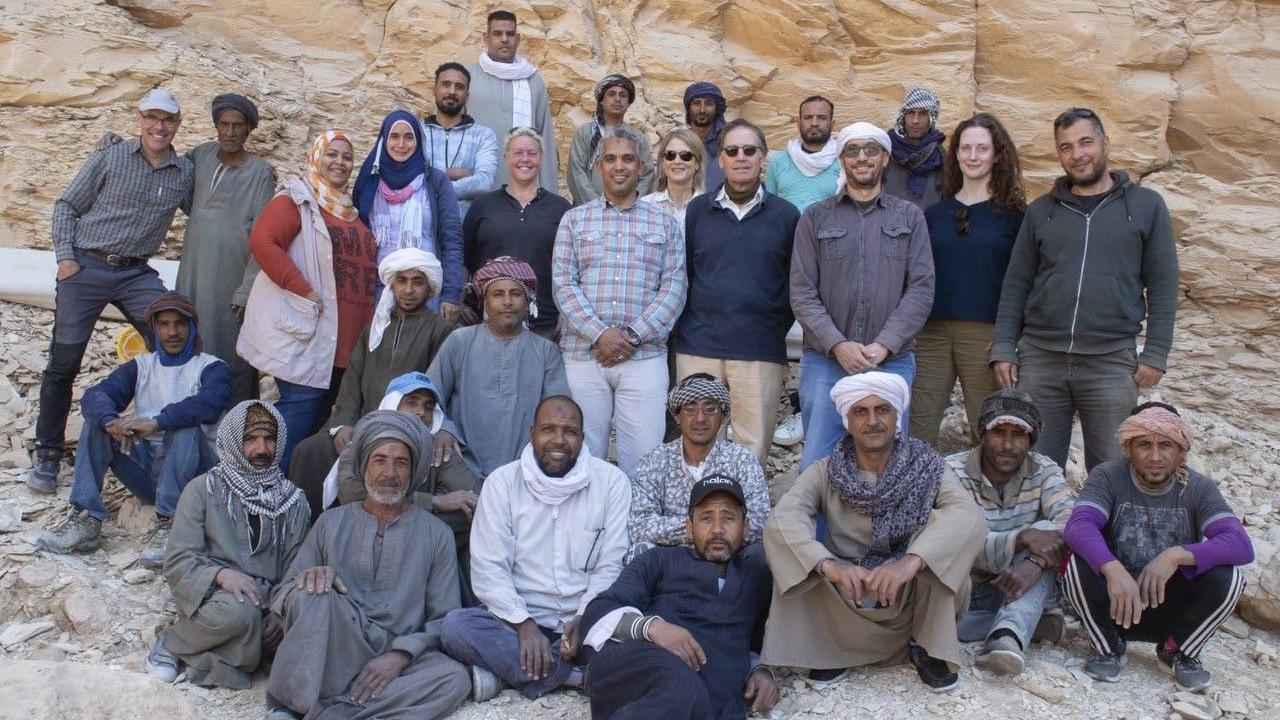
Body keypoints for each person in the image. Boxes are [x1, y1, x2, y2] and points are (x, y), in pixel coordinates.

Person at [761, 372, 985, 692]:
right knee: (797, 560)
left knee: (941, 552)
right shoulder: (825, 471)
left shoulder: (928, 465)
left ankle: (927, 648)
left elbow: (966, 515)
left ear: (897, 417)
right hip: (849, 592)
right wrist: (829, 565)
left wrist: (911, 561)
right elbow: (783, 519)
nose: (873, 421)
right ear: (848, 421)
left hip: (908, 590)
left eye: (882, 410)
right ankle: (830, 652)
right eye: (861, 412)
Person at [991, 108, 1179, 472]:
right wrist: (1003, 347)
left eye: (1085, 142)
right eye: (1066, 147)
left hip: (1110, 361)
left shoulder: (1145, 207)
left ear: (1105, 143)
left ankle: (1100, 531)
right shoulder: (1041, 211)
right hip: (1041, 358)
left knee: (1111, 468)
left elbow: (1163, 283)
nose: (1077, 154)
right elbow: (1016, 284)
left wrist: (1156, 352)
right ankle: (1044, 530)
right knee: (1035, 467)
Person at [27, 89, 195, 493]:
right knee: (64, 359)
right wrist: (66, 259)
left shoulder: (183, 172)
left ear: (177, 124)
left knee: (175, 343)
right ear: (139, 119)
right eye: (152, 118)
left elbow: (209, 205)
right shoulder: (111, 156)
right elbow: (67, 205)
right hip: (87, 264)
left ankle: (158, 436)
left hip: (136, 273)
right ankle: (48, 452)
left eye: (168, 120)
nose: (159, 127)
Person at [266, 411, 470, 720]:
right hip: (335, 647)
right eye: (380, 460)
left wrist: (399, 657)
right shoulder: (329, 523)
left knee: (453, 678)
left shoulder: (436, 534)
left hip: (394, 654)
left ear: (413, 472)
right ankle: (296, 706)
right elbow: (282, 596)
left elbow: (443, 618)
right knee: (314, 594)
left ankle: (334, 710)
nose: (390, 473)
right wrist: (308, 580)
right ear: (363, 468)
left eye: (401, 462)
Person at [440, 395, 631, 701]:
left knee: (633, 643)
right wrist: (524, 624)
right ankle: (573, 676)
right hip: (516, 626)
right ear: (532, 433)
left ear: (583, 437)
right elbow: (489, 568)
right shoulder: (501, 483)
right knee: (456, 626)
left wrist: (584, 618)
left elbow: (611, 564)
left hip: (586, 621)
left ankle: (519, 674)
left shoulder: (612, 483)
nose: (559, 440)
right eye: (548, 430)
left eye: (569, 432)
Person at [1063, 403, 1251, 691]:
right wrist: (1112, 569)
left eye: (1165, 445)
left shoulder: (1198, 488)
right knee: (1075, 563)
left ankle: (1179, 651)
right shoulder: (1108, 476)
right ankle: (1108, 646)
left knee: (1231, 577)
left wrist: (1176, 555)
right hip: (1117, 602)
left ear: (1181, 451)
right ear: (1128, 448)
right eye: (1143, 445)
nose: (1154, 456)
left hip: (1170, 605)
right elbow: (1079, 526)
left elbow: (1239, 544)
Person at [36, 293, 228, 568]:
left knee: (184, 430)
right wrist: (111, 422)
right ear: (154, 329)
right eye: (164, 324)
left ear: (192, 327)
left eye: (180, 324)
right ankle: (86, 518)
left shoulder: (211, 367)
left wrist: (157, 422)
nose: (172, 332)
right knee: (97, 426)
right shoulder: (142, 366)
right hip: (149, 470)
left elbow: (208, 405)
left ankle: (170, 522)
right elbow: (96, 395)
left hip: (194, 475)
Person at [791, 122, 934, 471]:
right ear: (841, 159)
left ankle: (883, 530)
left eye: (871, 149)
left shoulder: (910, 217)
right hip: (826, 362)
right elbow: (802, 291)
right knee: (818, 465)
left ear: (885, 157)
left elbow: (921, 287)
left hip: (892, 361)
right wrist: (838, 345)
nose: (862, 158)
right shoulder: (815, 218)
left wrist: (885, 344)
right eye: (852, 151)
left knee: (886, 464)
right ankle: (820, 529)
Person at [582, 476, 780, 719]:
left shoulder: (754, 575)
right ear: (689, 527)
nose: (717, 529)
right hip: (641, 664)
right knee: (680, 687)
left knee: (696, 698)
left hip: (707, 699)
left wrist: (759, 670)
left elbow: (747, 642)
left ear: (745, 527)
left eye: (729, 518)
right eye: (706, 518)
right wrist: (653, 627)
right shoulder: (659, 560)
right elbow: (597, 613)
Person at [238, 130, 378, 472]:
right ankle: (260, 494)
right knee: (296, 423)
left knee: (316, 431)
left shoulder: (351, 214)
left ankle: (293, 504)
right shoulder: (298, 200)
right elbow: (262, 241)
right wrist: (303, 289)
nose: (340, 163)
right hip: (312, 335)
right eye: (332, 154)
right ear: (316, 157)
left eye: (347, 157)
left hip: (345, 345)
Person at [553, 126, 687, 477]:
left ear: (641, 166)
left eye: (628, 158)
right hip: (584, 356)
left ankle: (635, 532)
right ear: (598, 166)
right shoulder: (574, 220)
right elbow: (563, 284)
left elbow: (674, 288)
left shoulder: (664, 223)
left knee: (644, 462)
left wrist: (631, 336)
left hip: (644, 357)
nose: (619, 166)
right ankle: (588, 531)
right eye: (610, 159)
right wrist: (601, 335)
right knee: (582, 458)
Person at [148, 400, 309, 688]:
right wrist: (222, 575)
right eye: (250, 439)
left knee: (308, 615)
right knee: (240, 612)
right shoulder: (203, 489)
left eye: (269, 439)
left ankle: (230, 650)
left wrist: (281, 611)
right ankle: (173, 642)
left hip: (270, 601)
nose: (262, 449)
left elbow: (298, 563)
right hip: (216, 598)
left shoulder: (292, 500)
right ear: (234, 441)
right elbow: (179, 559)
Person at [673, 119, 799, 465]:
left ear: (763, 159)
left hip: (759, 348)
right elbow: (684, 273)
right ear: (719, 160)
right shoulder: (698, 211)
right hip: (699, 345)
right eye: (732, 150)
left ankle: (747, 518)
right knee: (697, 443)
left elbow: (795, 282)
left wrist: (771, 324)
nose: (741, 157)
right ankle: (695, 517)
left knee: (751, 446)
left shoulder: (786, 216)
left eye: (749, 150)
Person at [286, 248, 452, 503]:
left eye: (417, 282)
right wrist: (343, 423)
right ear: (392, 284)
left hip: (407, 429)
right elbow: (352, 380)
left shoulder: (439, 330)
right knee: (309, 451)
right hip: (363, 423)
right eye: (402, 281)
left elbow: (440, 387)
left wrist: (440, 428)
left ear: (429, 288)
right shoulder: (374, 328)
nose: (408, 290)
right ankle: (306, 529)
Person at [910, 113, 1026, 446]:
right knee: (920, 421)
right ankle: (919, 493)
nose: (972, 156)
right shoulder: (934, 214)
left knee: (986, 423)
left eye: (982, 148)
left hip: (985, 334)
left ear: (997, 154)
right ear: (956, 154)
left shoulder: (1014, 215)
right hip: (931, 333)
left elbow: (1022, 282)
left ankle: (987, 496)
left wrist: (1009, 337)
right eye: (965, 148)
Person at [949, 389, 1074, 676]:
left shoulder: (1044, 470)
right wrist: (1021, 538)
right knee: (935, 621)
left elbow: (1071, 522)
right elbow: (957, 540)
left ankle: (1007, 636)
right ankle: (1034, 624)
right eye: (998, 432)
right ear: (982, 434)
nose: (1007, 444)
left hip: (1026, 581)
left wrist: (1035, 561)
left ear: (1031, 440)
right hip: (972, 588)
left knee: (1046, 531)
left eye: (1018, 435)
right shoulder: (952, 471)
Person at [176, 93, 276, 404]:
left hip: (230, 281)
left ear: (248, 130)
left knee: (231, 356)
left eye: (237, 126)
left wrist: (246, 291)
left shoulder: (260, 172)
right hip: (193, 273)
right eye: (224, 125)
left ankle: (237, 428)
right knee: (189, 342)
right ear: (216, 126)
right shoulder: (201, 156)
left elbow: (264, 236)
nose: (230, 132)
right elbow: (165, 167)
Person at [429, 256, 570, 478]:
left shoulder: (546, 352)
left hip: (525, 471)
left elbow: (557, 413)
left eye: (515, 294)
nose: (507, 302)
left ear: (528, 302)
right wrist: (443, 427)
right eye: (498, 294)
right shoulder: (459, 341)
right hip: (460, 468)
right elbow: (430, 396)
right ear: (484, 303)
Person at [629, 374, 770, 562]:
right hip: (672, 558)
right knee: (639, 552)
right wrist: (700, 529)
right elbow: (639, 525)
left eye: (710, 409)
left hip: (727, 557)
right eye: (690, 408)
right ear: (677, 416)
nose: (700, 418)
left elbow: (760, 523)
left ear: (723, 416)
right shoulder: (654, 461)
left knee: (759, 556)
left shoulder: (742, 460)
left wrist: (708, 532)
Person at [352, 108, 464, 322]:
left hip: (426, 288)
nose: (401, 145)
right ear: (384, 140)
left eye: (408, 137)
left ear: (418, 141)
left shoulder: (435, 181)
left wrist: (451, 294)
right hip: (379, 286)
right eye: (394, 136)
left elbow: (452, 240)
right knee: (381, 351)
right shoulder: (369, 180)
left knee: (422, 353)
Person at [462, 128, 571, 339]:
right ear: (506, 158)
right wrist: (460, 300)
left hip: (544, 323)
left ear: (541, 158)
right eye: (517, 153)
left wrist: (566, 311)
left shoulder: (561, 208)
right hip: (486, 320)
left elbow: (570, 267)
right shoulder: (482, 206)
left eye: (532, 153)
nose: (525, 159)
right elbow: (464, 260)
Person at [467, 9, 558, 192]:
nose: (504, 39)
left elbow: (544, 138)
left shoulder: (533, 79)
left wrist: (548, 193)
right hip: (478, 188)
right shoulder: (468, 77)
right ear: (486, 38)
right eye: (497, 34)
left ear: (518, 38)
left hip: (526, 189)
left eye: (510, 34)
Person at [422, 62, 499, 219]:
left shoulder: (483, 136)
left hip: (466, 230)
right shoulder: (417, 132)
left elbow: (484, 183)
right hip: (422, 229)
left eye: (459, 87)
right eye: (446, 85)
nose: (452, 91)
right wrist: (461, 174)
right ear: (434, 90)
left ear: (467, 96)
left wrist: (432, 179)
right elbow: (408, 179)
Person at [568, 73, 654, 205]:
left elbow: (647, 175)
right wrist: (598, 206)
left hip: (629, 213)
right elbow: (577, 174)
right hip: (590, 213)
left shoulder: (637, 137)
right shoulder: (586, 133)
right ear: (601, 100)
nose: (617, 99)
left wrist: (631, 203)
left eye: (623, 95)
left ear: (629, 102)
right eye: (611, 94)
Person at [764, 95, 840, 213]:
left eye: (822, 118)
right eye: (808, 117)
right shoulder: (778, 161)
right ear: (799, 123)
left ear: (832, 123)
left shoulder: (843, 162)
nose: (814, 123)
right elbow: (768, 209)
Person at [884, 87, 946, 209]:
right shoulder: (887, 151)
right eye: (911, 113)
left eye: (922, 113)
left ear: (931, 119)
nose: (915, 120)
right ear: (903, 116)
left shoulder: (940, 157)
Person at [639, 127, 706, 226]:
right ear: (662, 162)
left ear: (697, 163)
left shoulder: (710, 209)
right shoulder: (644, 207)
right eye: (670, 155)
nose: (677, 161)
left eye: (685, 155)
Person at [683, 82, 728, 191]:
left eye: (708, 104)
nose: (702, 110)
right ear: (689, 108)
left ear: (716, 108)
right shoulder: (681, 141)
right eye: (696, 103)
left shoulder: (727, 141)